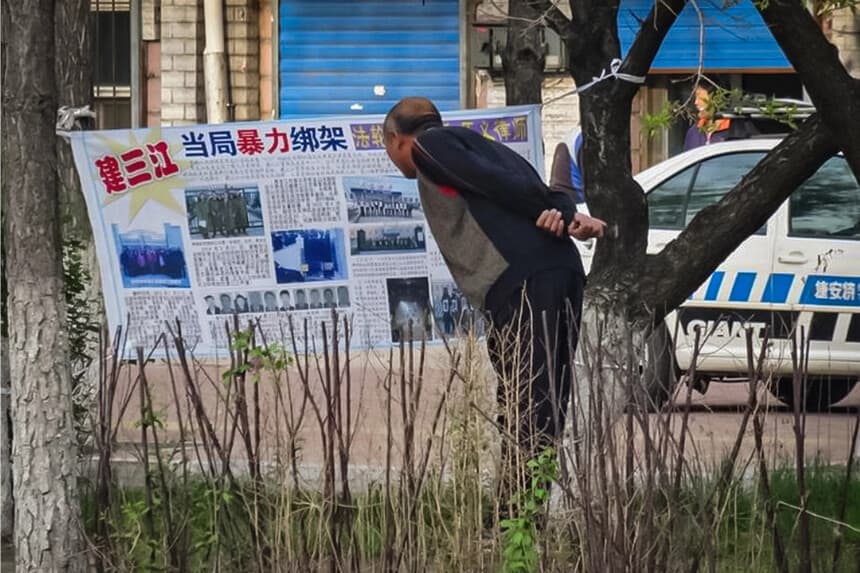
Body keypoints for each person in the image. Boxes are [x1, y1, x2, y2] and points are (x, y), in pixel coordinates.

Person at [382, 97, 605, 496]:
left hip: (522, 282)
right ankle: (523, 516)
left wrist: (556, 210)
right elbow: (512, 184)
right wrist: (559, 210)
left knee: (527, 403)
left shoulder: (430, 146)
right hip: (556, 274)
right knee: (544, 402)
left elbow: (501, 186)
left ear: (395, 138)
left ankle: (515, 519)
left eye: (388, 148)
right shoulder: (486, 146)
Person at [684, 83, 731, 151]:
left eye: (700, 98)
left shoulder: (733, 130)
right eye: (695, 98)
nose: (696, 102)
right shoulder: (694, 132)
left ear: (715, 101)